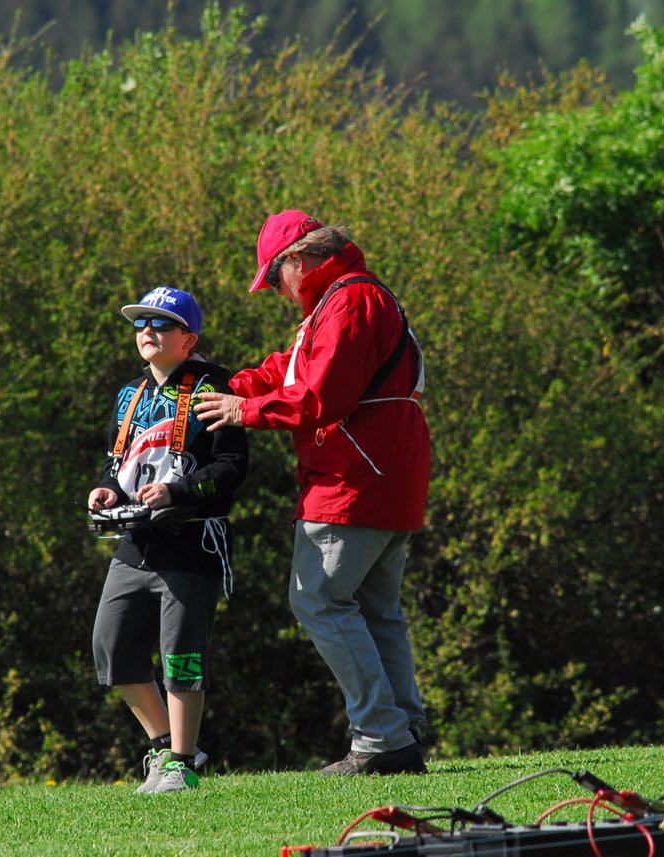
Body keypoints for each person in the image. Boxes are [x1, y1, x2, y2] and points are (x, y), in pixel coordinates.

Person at [194, 211, 430, 775]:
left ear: (296, 260)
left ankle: (381, 738)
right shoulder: (346, 299)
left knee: (318, 598)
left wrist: (243, 410)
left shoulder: (348, 302)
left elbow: (321, 395)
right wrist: (226, 384)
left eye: (274, 278)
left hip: (353, 475)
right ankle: (402, 732)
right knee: (375, 609)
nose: (277, 292)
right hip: (386, 473)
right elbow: (291, 369)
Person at [88, 285, 248, 794]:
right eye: (140, 324)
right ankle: (164, 747)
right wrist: (108, 491)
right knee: (111, 645)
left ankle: (182, 763)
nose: (148, 332)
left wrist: (177, 491)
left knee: (181, 656)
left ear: (189, 338)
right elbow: (122, 468)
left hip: (192, 541)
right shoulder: (129, 394)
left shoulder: (216, 386)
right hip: (136, 542)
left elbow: (232, 467)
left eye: (161, 324)